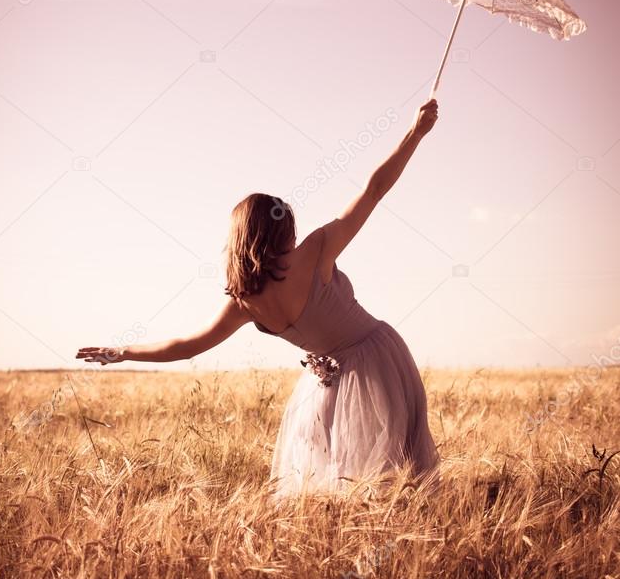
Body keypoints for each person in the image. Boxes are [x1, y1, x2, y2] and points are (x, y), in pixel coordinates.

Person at [77, 98, 440, 497]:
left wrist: (124, 351)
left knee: (341, 479)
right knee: (400, 477)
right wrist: (415, 134)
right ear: (281, 231)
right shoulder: (318, 250)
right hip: (377, 359)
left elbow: (187, 346)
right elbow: (374, 190)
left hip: (329, 383)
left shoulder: (244, 302)